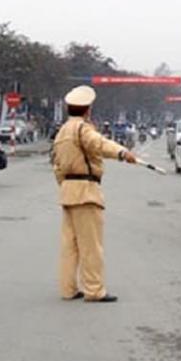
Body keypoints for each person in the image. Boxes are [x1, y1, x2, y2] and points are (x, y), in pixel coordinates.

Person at [52, 85, 137, 303]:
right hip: (86, 191)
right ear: (87, 109)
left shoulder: (62, 132)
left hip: (68, 191)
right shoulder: (83, 129)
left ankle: (68, 289)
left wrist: (64, 185)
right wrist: (122, 152)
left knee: (69, 246)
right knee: (91, 246)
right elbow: (99, 144)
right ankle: (94, 290)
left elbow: (58, 166)